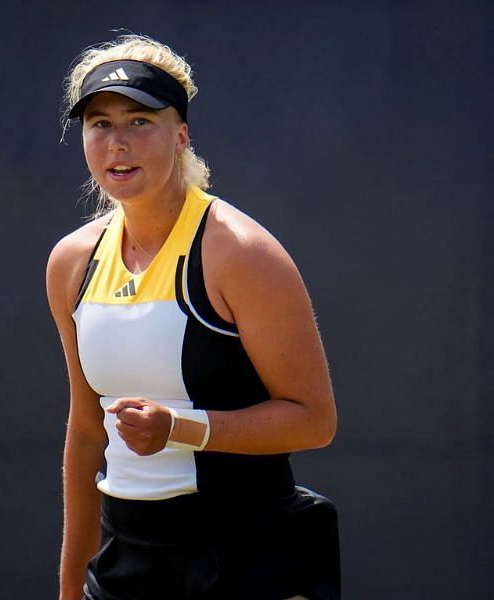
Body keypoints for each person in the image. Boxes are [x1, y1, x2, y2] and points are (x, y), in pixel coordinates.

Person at [46, 35, 340, 600]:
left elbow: (314, 419)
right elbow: (87, 431)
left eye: (139, 121)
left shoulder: (242, 254)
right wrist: (68, 588)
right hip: (126, 558)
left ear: (181, 136)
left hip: (247, 556)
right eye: (99, 123)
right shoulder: (71, 263)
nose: (117, 143)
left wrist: (180, 429)